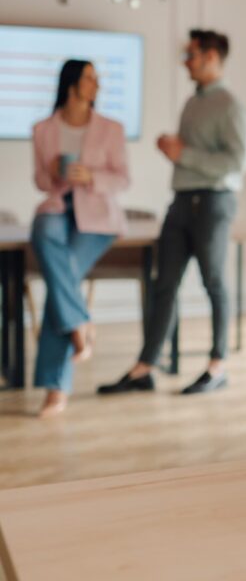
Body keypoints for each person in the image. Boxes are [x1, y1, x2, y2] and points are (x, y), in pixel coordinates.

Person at [99, 29, 246, 396]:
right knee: (163, 283)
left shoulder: (231, 105)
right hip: (181, 201)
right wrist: (174, 150)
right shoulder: (191, 102)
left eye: (192, 54)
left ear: (213, 56)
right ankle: (144, 368)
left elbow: (236, 163)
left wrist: (183, 154)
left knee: (214, 282)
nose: (186, 61)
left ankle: (217, 367)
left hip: (214, 202)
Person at [31, 59, 128, 417]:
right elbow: (40, 182)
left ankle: (55, 387)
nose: (97, 84)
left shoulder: (111, 128)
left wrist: (91, 177)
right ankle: (79, 322)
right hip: (58, 207)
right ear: (72, 83)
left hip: (98, 216)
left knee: (64, 275)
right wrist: (54, 173)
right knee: (43, 230)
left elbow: (122, 179)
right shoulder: (42, 128)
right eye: (90, 77)